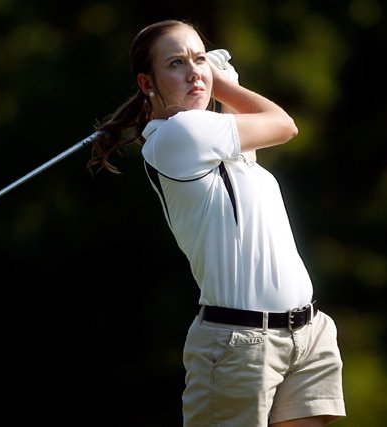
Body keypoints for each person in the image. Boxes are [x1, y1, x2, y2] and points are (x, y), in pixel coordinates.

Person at [87, 19, 346, 427]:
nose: (192, 70)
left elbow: (246, 146)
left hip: (307, 332)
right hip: (238, 343)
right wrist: (221, 83)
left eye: (198, 57)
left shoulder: (214, 140)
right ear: (147, 82)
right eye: (176, 63)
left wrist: (213, 83)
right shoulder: (180, 134)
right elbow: (283, 124)